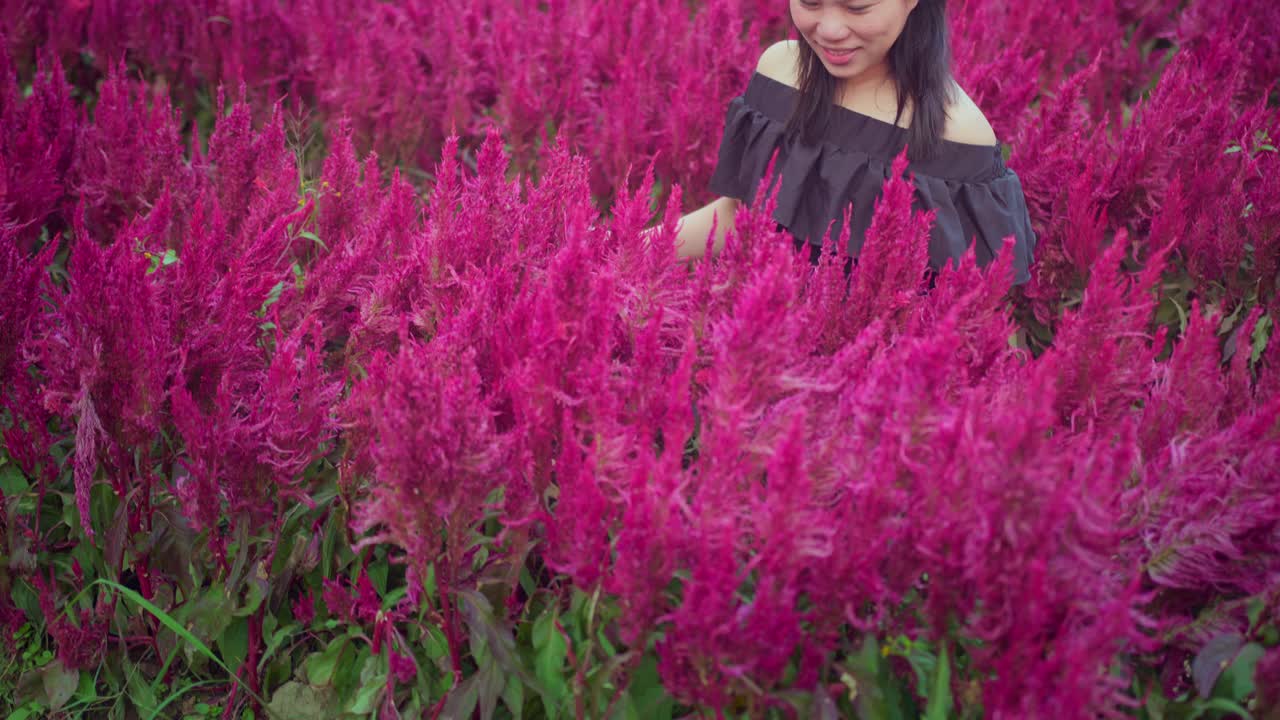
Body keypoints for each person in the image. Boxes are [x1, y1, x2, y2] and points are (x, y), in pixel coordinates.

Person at [669, 0, 1036, 285]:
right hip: (759, 338)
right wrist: (629, 248)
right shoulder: (780, 71)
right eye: (811, 3)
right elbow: (740, 215)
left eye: (857, 7)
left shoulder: (958, 133)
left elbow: (965, 309)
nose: (829, 30)